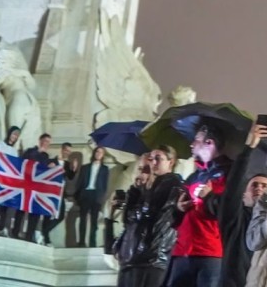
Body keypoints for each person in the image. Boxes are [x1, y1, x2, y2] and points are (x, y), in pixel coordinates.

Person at [166, 121, 255, 287]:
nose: (191, 144)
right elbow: (175, 219)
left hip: (211, 253)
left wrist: (209, 197)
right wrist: (178, 208)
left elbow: (229, 209)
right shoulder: (194, 176)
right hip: (182, 252)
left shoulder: (230, 174)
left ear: (209, 143)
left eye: (196, 140)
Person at [115, 147, 184, 287]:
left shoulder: (172, 184)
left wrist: (145, 189)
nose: (153, 163)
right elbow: (128, 220)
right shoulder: (146, 189)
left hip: (152, 259)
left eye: (158, 158)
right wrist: (135, 191)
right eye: (151, 159)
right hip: (131, 257)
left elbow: (151, 213)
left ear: (171, 162)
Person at [16, 132, 59, 241]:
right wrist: (38, 151)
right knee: (21, 209)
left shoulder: (46, 156)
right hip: (25, 184)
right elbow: (24, 161)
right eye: (45, 141)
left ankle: (29, 235)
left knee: (34, 212)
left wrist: (51, 166)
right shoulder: (30, 151)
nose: (47, 144)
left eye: (49, 142)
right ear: (40, 141)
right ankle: (15, 231)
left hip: (37, 187)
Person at [76, 144, 111, 247]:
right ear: (94, 153)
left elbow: (105, 185)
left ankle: (92, 243)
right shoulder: (85, 167)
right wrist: (78, 196)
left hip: (96, 196)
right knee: (83, 220)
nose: (98, 154)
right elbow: (79, 182)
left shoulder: (105, 169)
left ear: (103, 155)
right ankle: (81, 242)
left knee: (94, 222)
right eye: (97, 151)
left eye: (100, 152)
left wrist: (101, 197)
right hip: (85, 194)